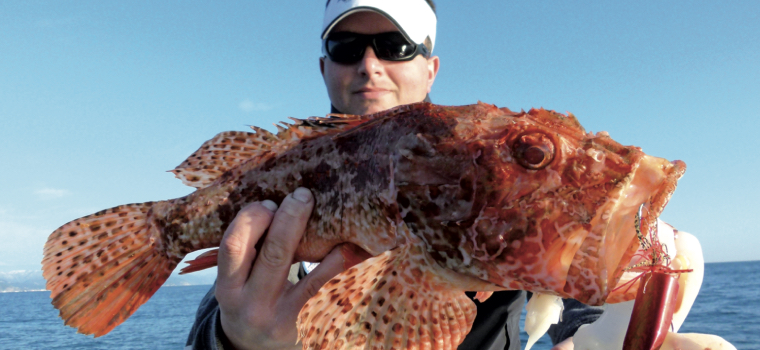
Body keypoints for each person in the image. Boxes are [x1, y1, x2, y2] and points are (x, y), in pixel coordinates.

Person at [185, 1, 592, 349]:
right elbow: (222, 306)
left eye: (395, 47)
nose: (368, 65)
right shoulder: (282, 174)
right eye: (346, 48)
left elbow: (571, 255)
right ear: (323, 66)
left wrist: (574, 327)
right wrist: (236, 339)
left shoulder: (486, 165)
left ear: (430, 69)